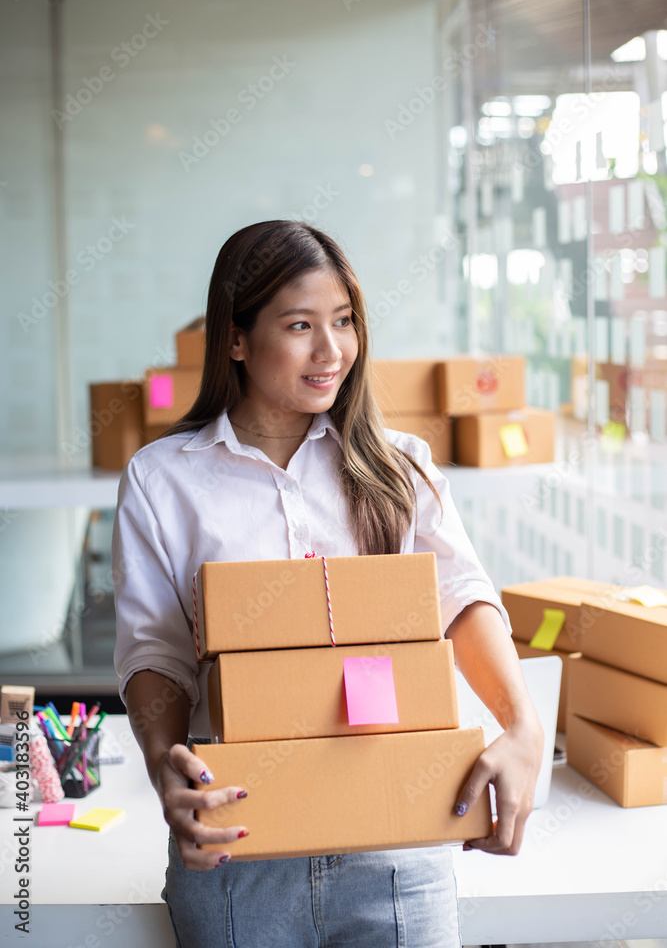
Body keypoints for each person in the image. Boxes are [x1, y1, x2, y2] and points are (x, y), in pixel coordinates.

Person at [112, 219, 543, 948]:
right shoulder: (164, 479)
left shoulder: (397, 465)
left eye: (343, 322)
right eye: (300, 325)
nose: (331, 350)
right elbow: (155, 650)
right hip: (235, 845)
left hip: (396, 843)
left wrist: (523, 726)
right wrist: (163, 765)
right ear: (237, 340)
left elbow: (462, 598)